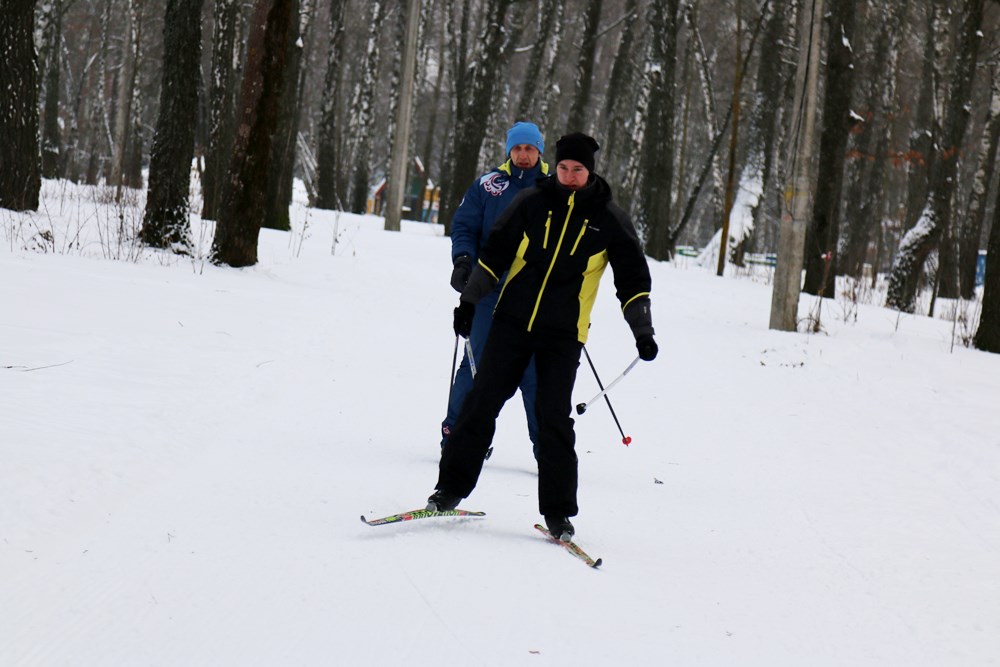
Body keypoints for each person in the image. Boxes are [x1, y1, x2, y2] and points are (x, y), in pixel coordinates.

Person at [426, 132, 658, 540]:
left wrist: (642, 330)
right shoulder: (531, 202)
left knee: (553, 420)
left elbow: (633, 278)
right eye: (565, 168)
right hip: (511, 323)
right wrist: (468, 302)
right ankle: (448, 491)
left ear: (590, 172)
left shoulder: (609, 219)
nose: (569, 176)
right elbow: (495, 253)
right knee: (480, 405)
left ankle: (558, 514)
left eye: (578, 170)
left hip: (563, 336)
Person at [443, 121, 548, 456]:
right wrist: (463, 261)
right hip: (489, 289)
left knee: (535, 373)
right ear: (508, 151)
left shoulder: (554, 190)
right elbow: (465, 225)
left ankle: (547, 449)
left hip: (534, 298)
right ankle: (460, 438)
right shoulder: (489, 186)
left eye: (529, 148)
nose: (523, 155)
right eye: (517, 148)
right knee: (477, 365)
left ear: (540, 152)